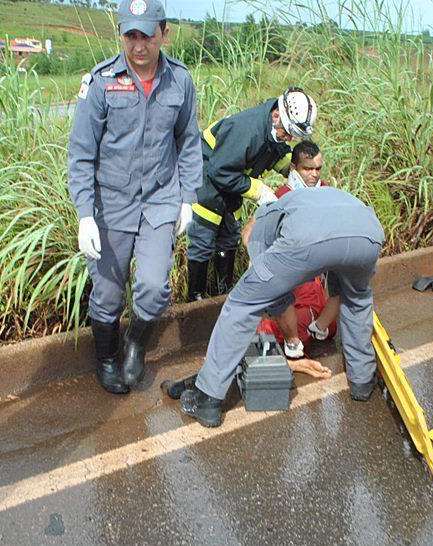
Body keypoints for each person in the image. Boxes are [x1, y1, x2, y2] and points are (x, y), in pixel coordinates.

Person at [68, 0, 203, 395]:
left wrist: (187, 200)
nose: (139, 45)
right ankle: (107, 359)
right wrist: (84, 214)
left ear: (164, 32)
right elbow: (80, 153)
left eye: (146, 35)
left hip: (161, 199)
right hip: (111, 204)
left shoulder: (180, 81)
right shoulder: (101, 81)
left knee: (154, 286)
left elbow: (188, 142)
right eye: (131, 35)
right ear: (122, 35)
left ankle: (135, 346)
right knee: (108, 293)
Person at [179, 187, 384, 428]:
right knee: (356, 299)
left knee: (242, 303)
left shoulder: (263, 220)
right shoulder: (302, 200)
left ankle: (208, 399)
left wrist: (287, 330)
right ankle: (361, 381)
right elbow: (338, 276)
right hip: (368, 234)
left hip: (307, 239)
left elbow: (270, 290)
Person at [186, 88, 318, 301]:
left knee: (229, 239)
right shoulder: (246, 129)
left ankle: (222, 295)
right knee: (202, 242)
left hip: (230, 185)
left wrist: (292, 171)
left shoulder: (273, 128)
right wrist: (258, 191)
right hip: (206, 181)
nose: (288, 138)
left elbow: (272, 150)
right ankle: (195, 300)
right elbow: (219, 171)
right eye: (288, 132)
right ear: (277, 115)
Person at [259, 141, 335, 359]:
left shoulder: (326, 192)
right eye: (307, 169)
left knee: (315, 326)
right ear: (294, 168)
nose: (313, 175)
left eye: (317, 169)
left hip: (313, 280)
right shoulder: (279, 197)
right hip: (292, 276)